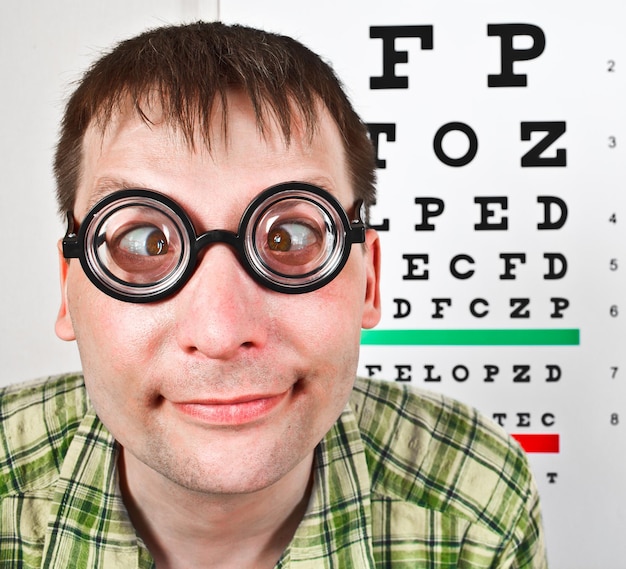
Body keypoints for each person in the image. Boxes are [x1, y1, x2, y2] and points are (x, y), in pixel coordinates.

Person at [0, 21, 547, 568]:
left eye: (291, 237)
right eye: (145, 242)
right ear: (69, 289)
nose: (221, 333)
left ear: (370, 280)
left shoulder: (475, 505)